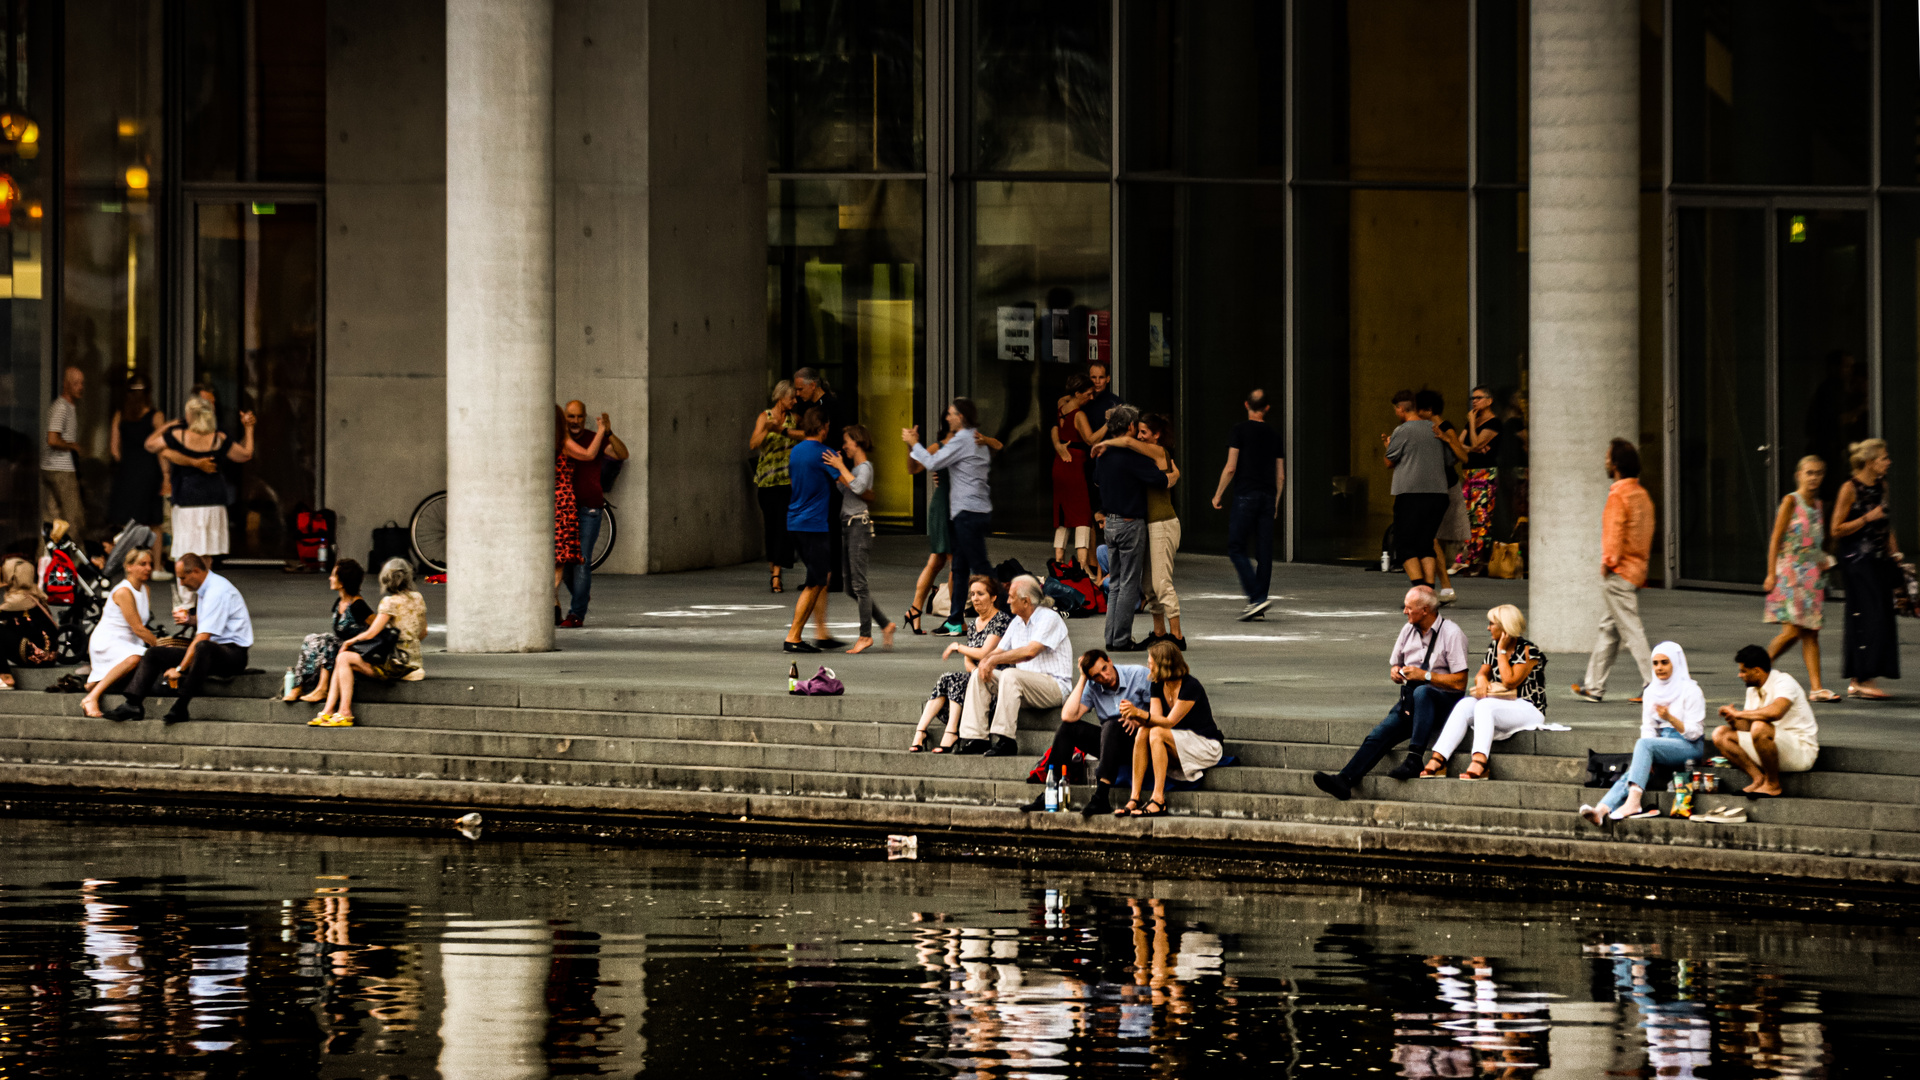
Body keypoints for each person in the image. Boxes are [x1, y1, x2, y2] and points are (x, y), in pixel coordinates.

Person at [1311, 587, 1469, 800]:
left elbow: (1460, 683)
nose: (1404, 611)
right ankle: (1345, 780)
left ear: (1425, 610)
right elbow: (1396, 664)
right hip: (1412, 699)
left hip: (1443, 701)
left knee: (1423, 692)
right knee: (1380, 733)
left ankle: (1414, 759)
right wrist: (1396, 672)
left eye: (1409, 608)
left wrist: (1426, 676)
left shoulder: (1452, 633)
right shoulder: (1408, 630)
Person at [105, 553, 252, 726]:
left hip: (233, 654)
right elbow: (213, 622)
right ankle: (133, 703)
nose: (181, 583)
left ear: (196, 571)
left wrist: (180, 669)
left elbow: (203, 637)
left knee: (203, 646)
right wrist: (190, 620)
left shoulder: (217, 591)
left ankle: (181, 706)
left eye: (183, 578)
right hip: (210, 649)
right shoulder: (205, 589)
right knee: (154, 652)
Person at [1579, 641, 1706, 824]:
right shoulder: (1651, 691)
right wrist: (1649, 755)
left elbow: (1695, 733)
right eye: (1655, 663)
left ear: (1675, 663)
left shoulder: (1691, 690)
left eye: (1664, 662)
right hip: (1659, 743)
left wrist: (1670, 718)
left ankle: (1633, 802)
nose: (1659, 668)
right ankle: (1601, 810)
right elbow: (1648, 727)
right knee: (1634, 770)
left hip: (1688, 745)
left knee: (1644, 745)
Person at [1419, 604, 1548, 780]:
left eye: (1492, 624)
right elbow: (1481, 673)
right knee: (1465, 704)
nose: (1488, 628)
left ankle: (1480, 761)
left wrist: (1502, 651)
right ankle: (1439, 758)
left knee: (1484, 706)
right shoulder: (1493, 646)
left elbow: (1510, 680)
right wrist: (1481, 682)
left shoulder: (1529, 651)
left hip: (1528, 708)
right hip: (1501, 703)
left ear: (1505, 627)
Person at [1572, 438, 1655, 703]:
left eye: (1608, 458)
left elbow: (1614, 532)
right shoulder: (1642, 495)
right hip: (1636, 569)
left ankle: (1653, 685)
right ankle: (1593, 686)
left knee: (1631, 631)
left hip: (1620, 571)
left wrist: (1609, 562)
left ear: (1616, 465)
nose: (1605, 462)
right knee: (1609, 629)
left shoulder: (1618, 494)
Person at [953, 574, 1074, 757]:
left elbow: (1030, 652)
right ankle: (976, 738)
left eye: (1011, 597)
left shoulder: (1049, 618)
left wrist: (993, 661)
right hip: (1024, 686)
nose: (1007, 601)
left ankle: (1006, 740)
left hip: (1054, 687)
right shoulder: (1017, 622)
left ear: (1026, 601)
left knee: (1010, 674)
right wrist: (986, 662)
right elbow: (998, 651)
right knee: (979, 674)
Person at [903, 398, 993, 636]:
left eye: (951, 415)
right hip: (946, 505)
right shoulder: (942, 446)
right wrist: (912, 446)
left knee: (947, 563)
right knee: (947, 562)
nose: (948, 419)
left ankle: (935, 614)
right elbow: (915, 468)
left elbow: (997, 445)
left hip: (957, 505)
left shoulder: (970, 440)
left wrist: (987, 440)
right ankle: (948, 616)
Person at [1026, 648, 1152, 816]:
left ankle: (1101, 796)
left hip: (1138, 744)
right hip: (1110, 744)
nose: (1104, 677)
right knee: (1068, 729)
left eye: (1104, 669)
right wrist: (1084, 678)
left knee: (1112, 725)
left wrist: (1139, 718)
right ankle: (1052, 790)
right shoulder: (1093, 685)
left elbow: (1163, 713)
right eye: (1097, 676)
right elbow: (1068, 715)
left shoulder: (1138, 675)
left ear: (1109, 660)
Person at [311, 559, 428, 728]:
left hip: (396, 665)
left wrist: (350, 642)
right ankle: (328, 710)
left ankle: (343, 711)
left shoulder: (389, 602)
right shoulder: (418, 598)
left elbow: (372, 632)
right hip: (415, 664)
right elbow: (423, 633)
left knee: (344, 657)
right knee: (343, 659)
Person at [1100, 414, 1185, 649]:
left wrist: (1105, 442)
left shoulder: (1157, 452)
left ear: (1157, 435)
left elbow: (1126, 442)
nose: (1139, 436)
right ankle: (1159, 633)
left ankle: (1177, 636)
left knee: (1160, 583)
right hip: (1145, 524)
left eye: (1144, 432)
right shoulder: (1143, 456)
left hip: (1163, 523)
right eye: (1138, 431)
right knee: (1147, 585)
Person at [1114, 640, 1226, 818]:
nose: (1148, 667)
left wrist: (1139, 713)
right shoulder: (1158, 684)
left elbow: (1169, 722)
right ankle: (1134, 797)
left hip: (1205, 744)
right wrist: (1134, 717)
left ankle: (1158, 799)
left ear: (1164, 665)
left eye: (1151, 664)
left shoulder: (1191, 686)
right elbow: (1155, 720)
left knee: (1157, 732)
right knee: (1144, 731)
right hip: (1177, 741)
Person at [1831, 438, 1900, 699]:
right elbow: (1836, 529)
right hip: (1857, 560)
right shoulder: (1850, 488)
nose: (1888, 462)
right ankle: (1859, 678)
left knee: (1882, 614)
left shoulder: (1882, 485)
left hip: (1879, 558)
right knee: (1865, 614)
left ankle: (1869, 675)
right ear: (1870, 462)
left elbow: (1886, 524)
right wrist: (1865, 518)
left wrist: (1897, 554)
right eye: (1884, 458)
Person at [1764, 456, 1837, 701]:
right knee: (1792, 631)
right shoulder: (1790, 502)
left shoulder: (1817, 505)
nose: (1814, 478)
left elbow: (1816, 540)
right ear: (1799, 474)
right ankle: (1757, 666)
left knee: (1811, 632)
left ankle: (1817, 688)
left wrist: (1824, 560)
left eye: (1818, 473)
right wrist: (1771, 572)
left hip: (1812, 576)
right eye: (1809, 473)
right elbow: (1776, 538)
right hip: (1790, 573)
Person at [910, 575, 1010, 752]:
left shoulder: (1001, 620)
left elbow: (984, 652)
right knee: (946, 679)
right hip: (978, 677)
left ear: (993, 597)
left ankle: (951, 731)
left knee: (955, 680)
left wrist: (958, 646)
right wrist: (974, 674)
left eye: (980, 594)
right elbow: (968, 661)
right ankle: (921, 731)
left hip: (995, 681)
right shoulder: (972, 625)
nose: (975, 599)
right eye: (972, 594)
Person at [156, 397, 256, 572]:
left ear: (190, 416)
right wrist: (249, 428)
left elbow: (153, 446)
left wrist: (166, 427)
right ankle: (204, 593)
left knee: (185, 550)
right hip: (213, 499)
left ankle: (187, 597)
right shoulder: (218, 438)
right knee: (207, 553)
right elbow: (245, 454)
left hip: (187, 498)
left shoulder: (179, 435)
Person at [1211, 388, 1284, 621]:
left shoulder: (1239, 430)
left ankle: (1256, 597)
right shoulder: (1274, 435)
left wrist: (1218, 493)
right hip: (1267, 495)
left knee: (1235, 546)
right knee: (1264, 551)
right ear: (1267, 408)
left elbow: (1231, 466)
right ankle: (1259, 598)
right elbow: (1280, 475)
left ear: (1246, 405)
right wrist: (1276, 502)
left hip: (1245, 494)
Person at [1711, 644, 1820, 798]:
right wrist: (1734, 720)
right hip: (1771, 749)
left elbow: (1776, 712)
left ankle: (1773, 784)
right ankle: (1758, 779)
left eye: (1743, 671)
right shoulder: (1752, 689)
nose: (1739, 675)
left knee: (1760, 726)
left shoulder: (1784, 681)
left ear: (1757, 671)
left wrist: (1741, 713)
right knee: (1720, 734)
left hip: (1801, 751)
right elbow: (1747, 728)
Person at [825, 424, 896, 654]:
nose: (844, 446)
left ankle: (866, 635)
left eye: (847, 441)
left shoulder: (864, 467)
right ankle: (885, 624)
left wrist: (840, 467)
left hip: (859, 527)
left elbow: (857, 487)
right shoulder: (855, 468)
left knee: (859, 585)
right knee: (850, 587)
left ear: (857, 442)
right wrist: (838, 471)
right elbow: (847, 488)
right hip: (848, 525)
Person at [559, 400, 629, 627]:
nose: (576, 421)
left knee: (582, 561)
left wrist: (608, 433)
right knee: (564, 561)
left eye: (579, 417)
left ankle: (576, 614)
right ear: (565, 419)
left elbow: (622, 453)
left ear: (585, 417)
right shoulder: (560, 440)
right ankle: (581, 594)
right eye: (571, 417)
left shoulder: (594, 438)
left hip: (589, 508)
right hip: (563, 510)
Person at [782, 407, 841, 653]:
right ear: (823, 427)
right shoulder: (824, 453)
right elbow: (846, 482)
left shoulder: (796, 451)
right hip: (814, 525)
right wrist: (840, 463)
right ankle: (794, 636)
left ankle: (821, 632)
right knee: (815, 581)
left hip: (795, 521)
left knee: (822, 576)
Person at [1381, 390, 1451, 590]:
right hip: (1438, 494)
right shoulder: (1435, 428)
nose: (1396, 413)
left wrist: (1388, 446)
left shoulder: (1402, 430)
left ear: (1401, 409)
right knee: (1425, 544)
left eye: (1396, 409)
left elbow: (1389, 461)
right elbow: (1448, 460)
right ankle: (1429, 589)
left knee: (1405, 544)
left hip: (1411, 494)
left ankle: (1419, 589)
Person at [81, 549, 162, 718]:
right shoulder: (123, 591)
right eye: (142, 564)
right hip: (108, 641)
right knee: (136, 658)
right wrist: (160, 645)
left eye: (150, 564)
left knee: (143, 661)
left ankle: (96, 681)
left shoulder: (145, 589)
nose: (148, 568)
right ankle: (92, 697)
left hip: (129, 642)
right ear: (129, 566)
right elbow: (138, 628)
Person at [282, 557, 373, 704]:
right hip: (340, 647)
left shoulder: (358, 605)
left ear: (342, 581)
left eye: (333, 575)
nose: (330, 578)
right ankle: (298, 686)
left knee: (327, 641)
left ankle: (322, 688)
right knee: (311, 638)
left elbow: (376, 628)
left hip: (356, 650)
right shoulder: (340, 603)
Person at [107, 379, 167, 574]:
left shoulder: (120, 415)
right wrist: (166, 475)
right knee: (155, 523)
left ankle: (129, 565)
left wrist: (126, 463)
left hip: (128, 472)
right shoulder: (155, 416)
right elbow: (161, 450)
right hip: (149, 472)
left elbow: (114, 450)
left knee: (128, 523)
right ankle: (156, 567)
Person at [1415, 389, 1468, 604]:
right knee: (1434, 539)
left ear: (1428, 410)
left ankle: (1444, 588)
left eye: (1419, 410)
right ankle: (1438, 588)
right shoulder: (1427, 429)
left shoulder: (1444, 428)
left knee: (1432, 538)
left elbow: (1463, 456)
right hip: (1438, 486)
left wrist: (1447, 439)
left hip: (1445, 488)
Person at [751, 380, 800, 593]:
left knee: (783, 527)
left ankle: (777, 574)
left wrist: (781, 431)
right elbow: (753, 443)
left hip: (787, 480)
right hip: (767, 480)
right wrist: (768, 430)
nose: (794, 401)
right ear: (781, 397)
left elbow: (805, 437)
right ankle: (774, 572)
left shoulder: (794, 419)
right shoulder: (765, 417)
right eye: (791, 398)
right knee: (771, 527)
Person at [1050, 373, 1097, 575]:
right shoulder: (1079, 415)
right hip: (1075, 463)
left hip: (1059, 465)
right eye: (1088, 394)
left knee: (1062, 514)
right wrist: (1108, 425)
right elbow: (1090, 439)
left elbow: (1054, 427)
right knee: (1082, 515)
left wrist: (1057, 445)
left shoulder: (1062, 405)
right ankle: (1082, 564)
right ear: (1078, 393)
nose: (1091, 398)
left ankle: (1059, 559)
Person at [1455, 385, 1502, 575]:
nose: (1474, 401)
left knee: (1481, 517)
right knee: (1467, 517)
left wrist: (1473, 429)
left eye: (1478, 397)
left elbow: (1474, 443)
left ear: (1489, 401)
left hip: (1484, 474)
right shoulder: (1472, 423)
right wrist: (1472, 448)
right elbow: (1458, 446)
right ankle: (1465, 559)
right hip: (1469, 473)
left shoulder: (1494, 423)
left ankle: (1478, 561)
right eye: (1472, 398)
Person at [41, 365, 87, 545]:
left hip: (53, 467)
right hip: (60, 469)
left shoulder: (68, 407)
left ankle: (47, 557)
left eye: (82, 383)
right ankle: (76, 560)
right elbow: (52, 438)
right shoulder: (61, 407)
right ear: (66, 384)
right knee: (73, 516)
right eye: (76, 383)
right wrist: (72, 446)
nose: (80, 387)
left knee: (52, 517)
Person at [0, 557, 60, 688]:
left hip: (36, 656)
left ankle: (5, 676)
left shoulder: (17, 600)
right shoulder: (33, 594)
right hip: (49, 656)